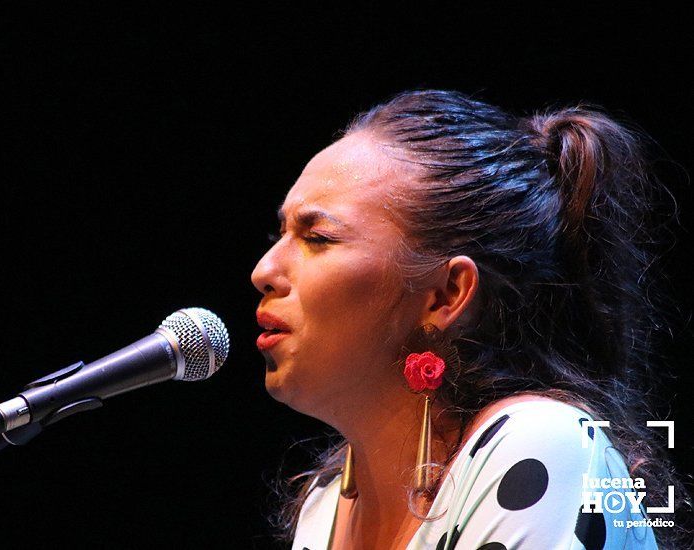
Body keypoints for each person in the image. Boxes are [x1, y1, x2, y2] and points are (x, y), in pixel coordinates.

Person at [251, 89, 691, 549]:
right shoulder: (323, 509)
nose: (264, 271)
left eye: (317, 237)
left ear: (446, 294)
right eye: (280, 234)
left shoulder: (542, 448)